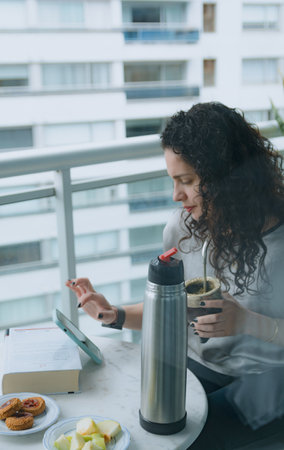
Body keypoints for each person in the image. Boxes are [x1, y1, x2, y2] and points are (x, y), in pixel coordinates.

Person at [66, 102, 284, 449]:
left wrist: (246, 322)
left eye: (187, 181)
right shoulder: (183, 229)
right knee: (129, 422)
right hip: (195, 363)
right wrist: (114, 314)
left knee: (185, 439)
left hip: (265, 381)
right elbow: (172, 311)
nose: (176, 195)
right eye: (173, 181)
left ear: (228, 178)